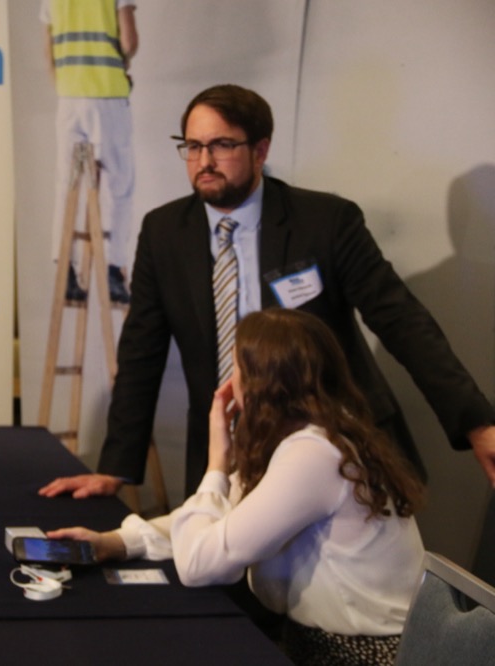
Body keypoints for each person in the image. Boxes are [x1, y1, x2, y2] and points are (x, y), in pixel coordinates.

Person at [39, 83, 495, 500]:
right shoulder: (164, 232)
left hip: (336, 447)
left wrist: (477, 423)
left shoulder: (325, 222)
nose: (204, 162)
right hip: (227, 454)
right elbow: (141, 350)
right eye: (193, 147)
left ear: (260, 150)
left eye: (222, 145)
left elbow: (402, 322)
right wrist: (115, 468)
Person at [50, 308, 427, 665]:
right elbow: (223, 520)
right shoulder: (318, 435)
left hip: (352, 656)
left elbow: (198, 565)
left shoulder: (314, 455)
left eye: (237, 370)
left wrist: (217, 461)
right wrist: (117, 542)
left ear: (262, 384)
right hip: (335, 645)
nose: (229, 384)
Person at [40, 0, 138, 303]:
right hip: (107, 94)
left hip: (69, 98)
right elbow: (129, 41)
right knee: (118, 183)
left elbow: (48, 50)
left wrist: (64, 87)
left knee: (66, 186)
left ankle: (65, 270)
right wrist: (124, 63)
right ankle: (112, 270)